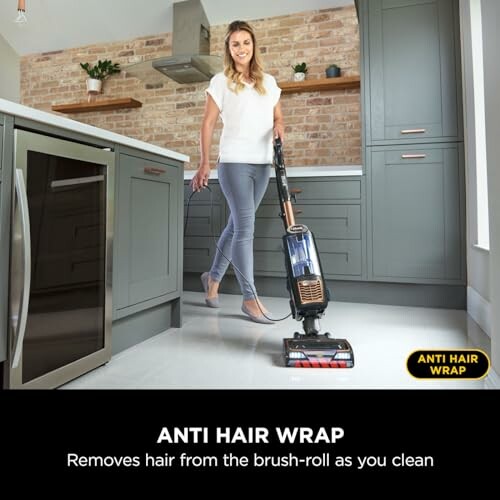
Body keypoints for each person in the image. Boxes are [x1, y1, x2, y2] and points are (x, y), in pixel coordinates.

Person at [190, 20, 284, 324]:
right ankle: (250, 298)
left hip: (262, 164)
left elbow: (278, 117)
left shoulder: (268, 82)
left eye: (246, 42)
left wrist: (280, 129)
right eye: (235, 44)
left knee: (235, 226)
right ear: (229, 50)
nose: (241, 48)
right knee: (245, 229)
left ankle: (212, 280)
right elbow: (207, 123)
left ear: (253, 45)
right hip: (233, 163)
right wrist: (204, 162)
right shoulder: (221, 81)